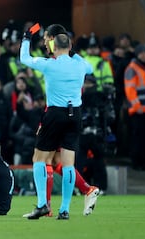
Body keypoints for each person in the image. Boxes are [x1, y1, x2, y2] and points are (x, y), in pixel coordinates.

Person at [20, 25, 93, 220]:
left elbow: (24, 59)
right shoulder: (80, 64)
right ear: (69, 46)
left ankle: (43, 204)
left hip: (54, 114)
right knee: (69, 164)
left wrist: (26, 38)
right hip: (75, 114)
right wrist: (73, 53)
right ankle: (65, 209)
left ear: (53, 45)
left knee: (39, 159)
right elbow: (91, 68)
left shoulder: (48, 64)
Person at [124, 44, 145, 171]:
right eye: (141, 53)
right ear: (137, 54)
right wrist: (136, 105)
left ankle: (143, 160)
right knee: (138, 138)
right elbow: (130, 89)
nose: (144, 55)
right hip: (138, 110)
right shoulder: (132, 68)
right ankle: (137, 161)